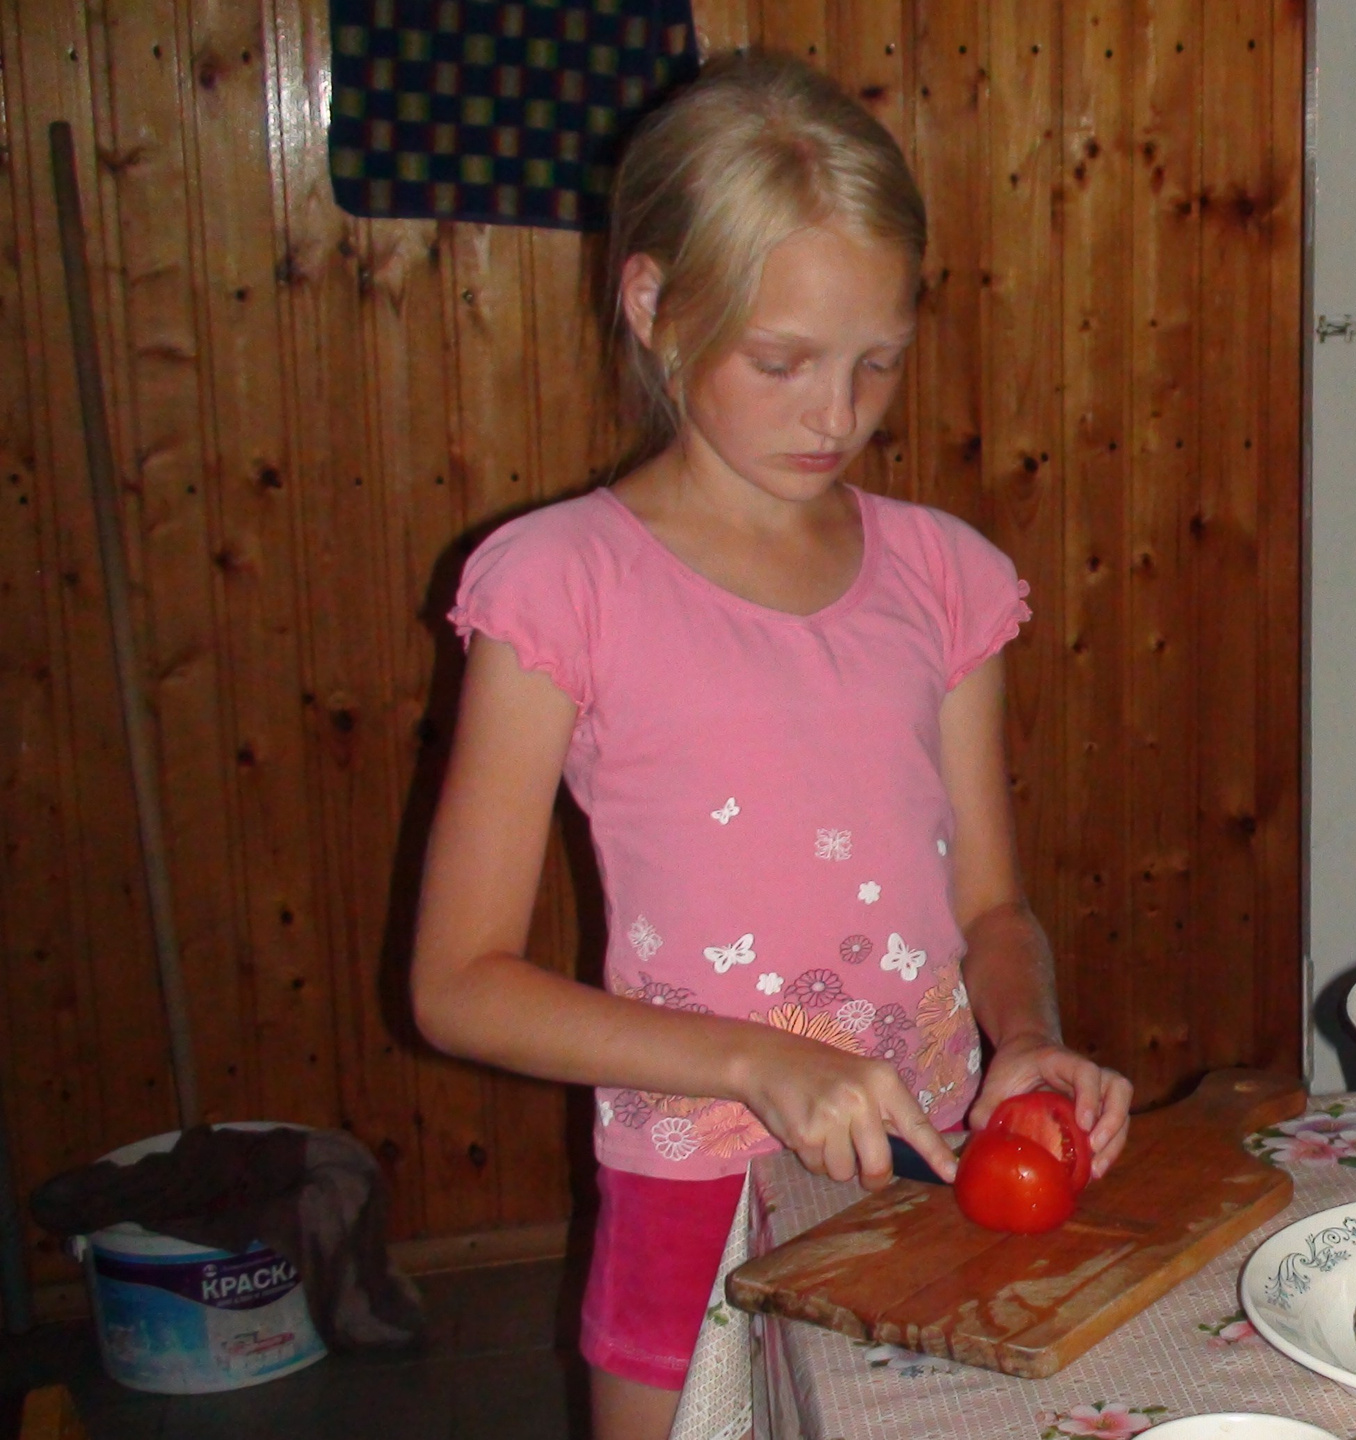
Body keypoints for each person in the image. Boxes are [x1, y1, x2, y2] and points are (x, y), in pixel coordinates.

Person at [409, 52, 1134, 1440]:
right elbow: (457, 985)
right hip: (694, 1185)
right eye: (783, 361)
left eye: (877, 365)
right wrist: (758, 1061)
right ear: (653, 307)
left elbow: (989, 905)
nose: (835, 416)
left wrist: (1027, 1036)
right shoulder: (563, 584)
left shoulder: (941, 575)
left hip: (929, 1160)